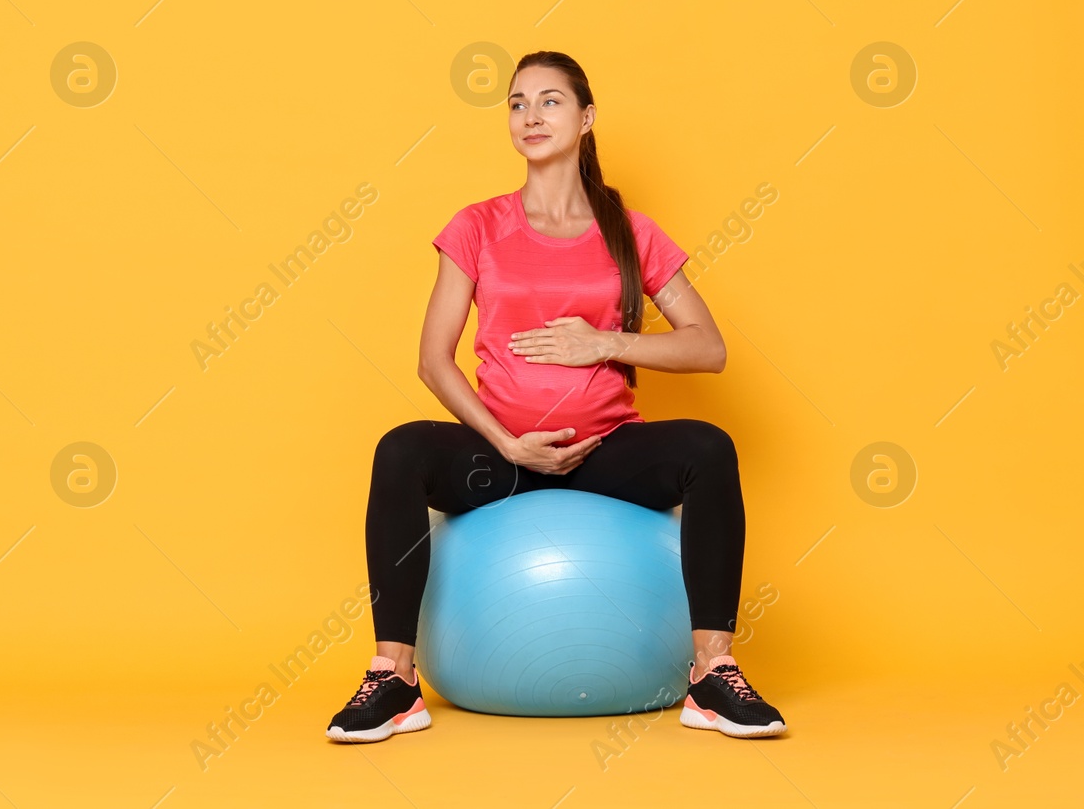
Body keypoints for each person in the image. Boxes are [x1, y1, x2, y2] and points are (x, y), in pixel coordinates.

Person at [326, 51, 787, 743]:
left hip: (603, 455)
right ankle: (394, 677)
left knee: (709, 448)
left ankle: (711, 674)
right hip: (500, 457)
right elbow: (433, 359)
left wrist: (606, 344)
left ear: (586, 117)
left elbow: (707, 347)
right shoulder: (477, 226)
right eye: (517, 103)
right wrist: (505, 441)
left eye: (550, 101)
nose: (531, 116)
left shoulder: (629, 230)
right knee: (401, 450)